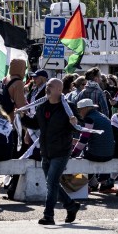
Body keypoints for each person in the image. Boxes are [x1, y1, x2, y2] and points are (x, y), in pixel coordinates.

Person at [36, 78, 82, 225]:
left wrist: (75, 124)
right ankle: (71, 206)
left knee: (52, 182)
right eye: (47, 85)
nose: (47, 88)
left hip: (61, 151)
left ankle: (48, 215)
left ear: (59, 90)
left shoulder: (68, 107)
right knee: (52, 183)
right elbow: (35, 124)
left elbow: (77, 127)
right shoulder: (42, 106)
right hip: (46, 150)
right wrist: (22, 117)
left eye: (50, 86)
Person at [76, 98, 116, 192]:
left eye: (79, 110)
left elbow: (83, 140)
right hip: (109, 154)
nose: (79, 112)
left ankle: (81, 185)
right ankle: (98, 184)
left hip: (96, 154)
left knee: (81, 156)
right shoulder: (103, 116)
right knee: (92, 150)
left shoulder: (89, 119)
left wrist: (73, 154)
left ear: (84, 109)